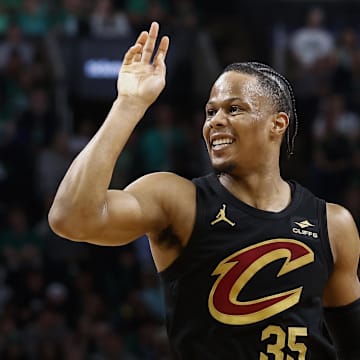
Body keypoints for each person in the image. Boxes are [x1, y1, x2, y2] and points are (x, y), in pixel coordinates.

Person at [48, 22, 360, 359]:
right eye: (211, 111)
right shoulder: (178, 200)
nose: (215, 121)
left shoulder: (333, 224)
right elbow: (71, 218)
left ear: (278, 124)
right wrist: (129, 104)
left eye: (234, 109)